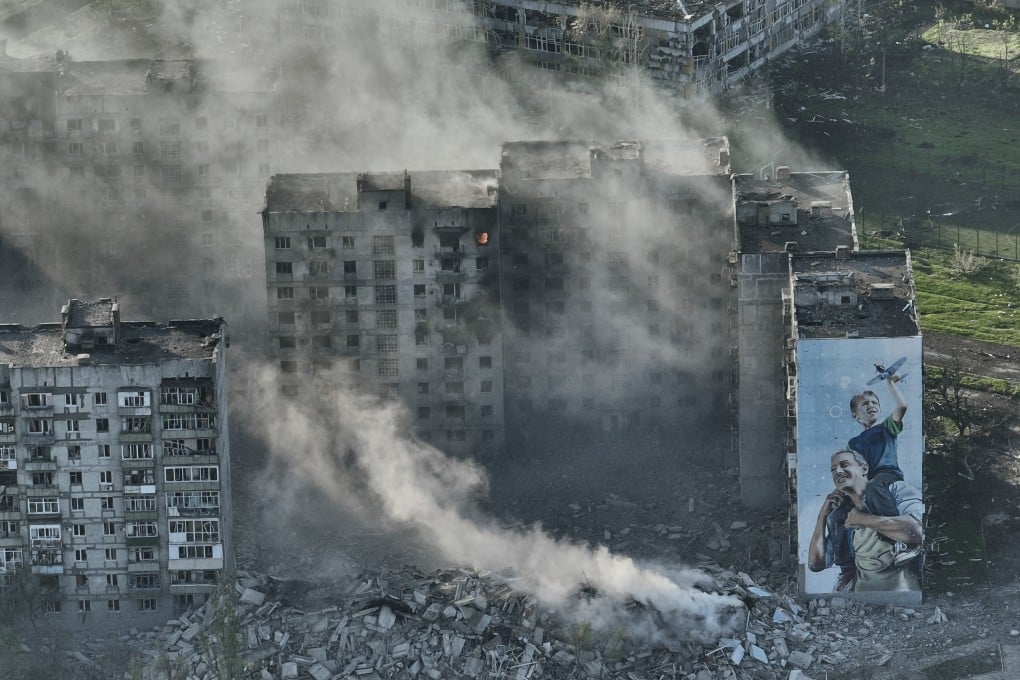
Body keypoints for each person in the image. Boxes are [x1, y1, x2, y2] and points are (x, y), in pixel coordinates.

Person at [808, 450, 923, 592]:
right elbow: (816, 564)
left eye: (844, 465)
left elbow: (918, 531)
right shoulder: (842, 517)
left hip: (902, 595)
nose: (838, 471)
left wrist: (863, 520)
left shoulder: (894, 490)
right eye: (833, 469)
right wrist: (822, 517)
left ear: (864, 468)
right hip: (860, 599)